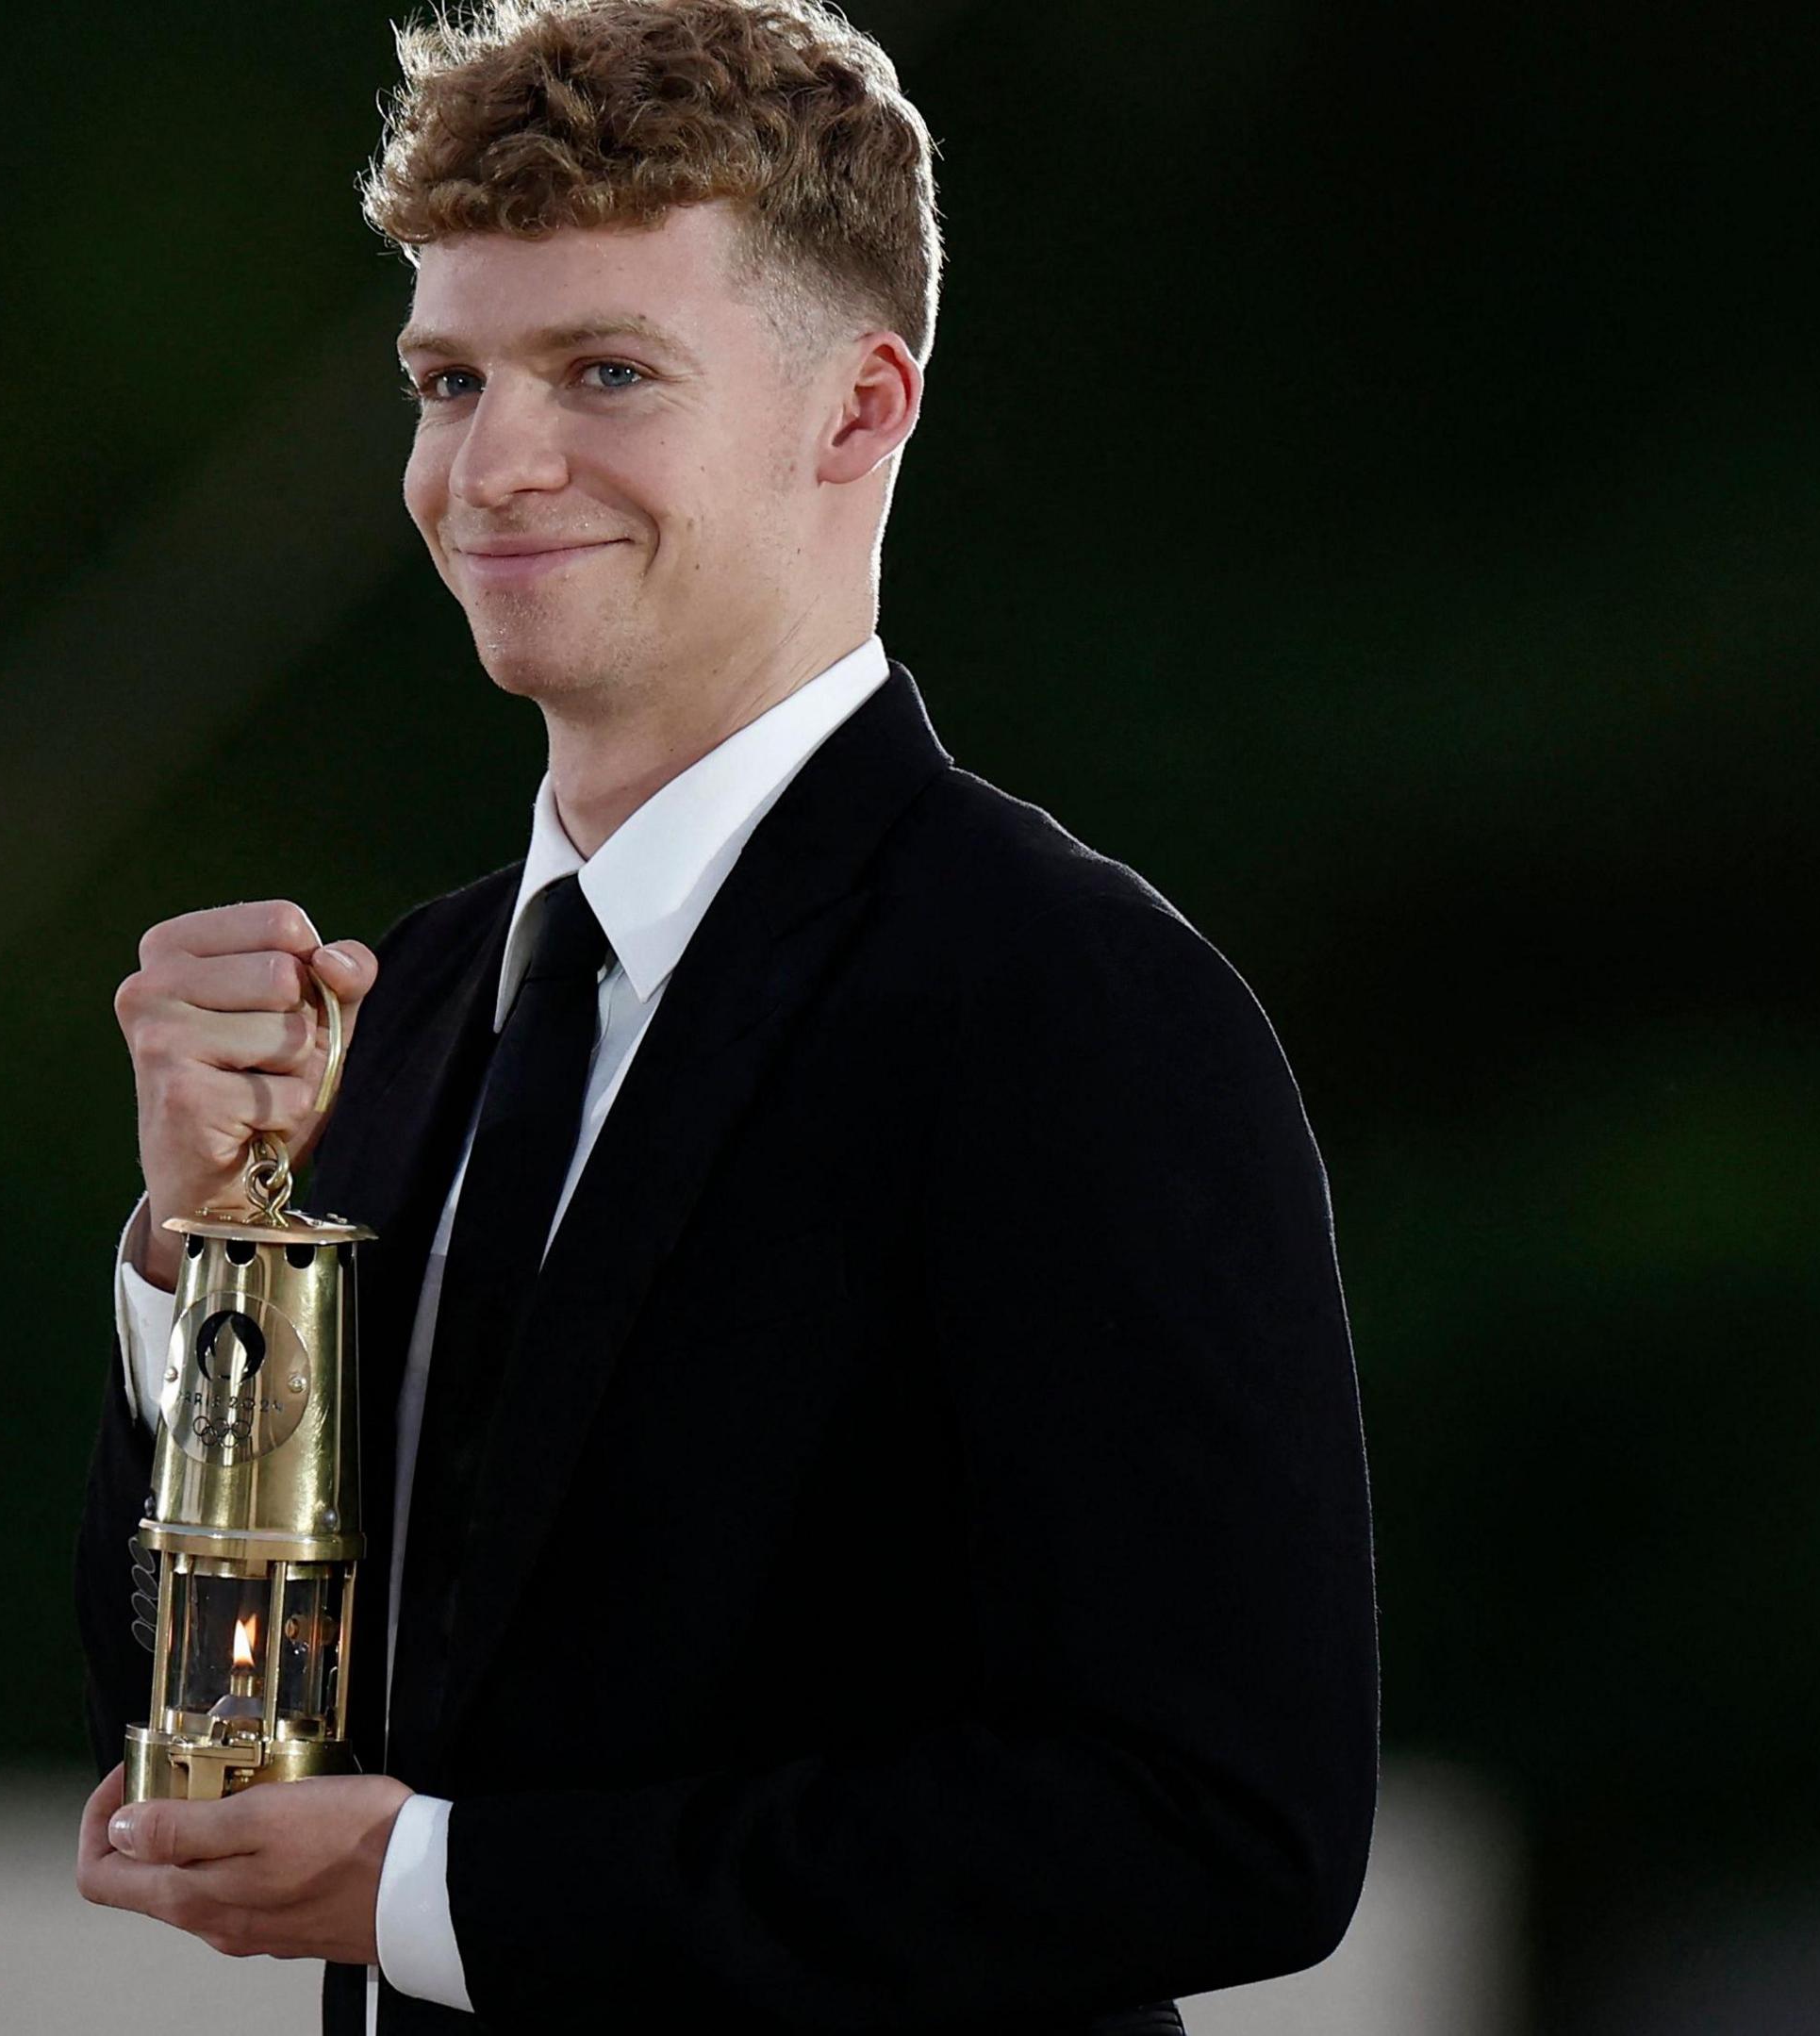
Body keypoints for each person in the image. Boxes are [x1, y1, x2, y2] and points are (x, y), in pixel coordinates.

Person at [71, 3, 1377, 2028]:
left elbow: (1219, 1824)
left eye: (605, 371)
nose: (493, 463)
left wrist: (440, 1891)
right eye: (447, 379)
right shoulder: (394, 1017)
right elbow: (213, 1738)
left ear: (860, 412)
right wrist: (200, 1261)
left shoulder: (1075, 1007)